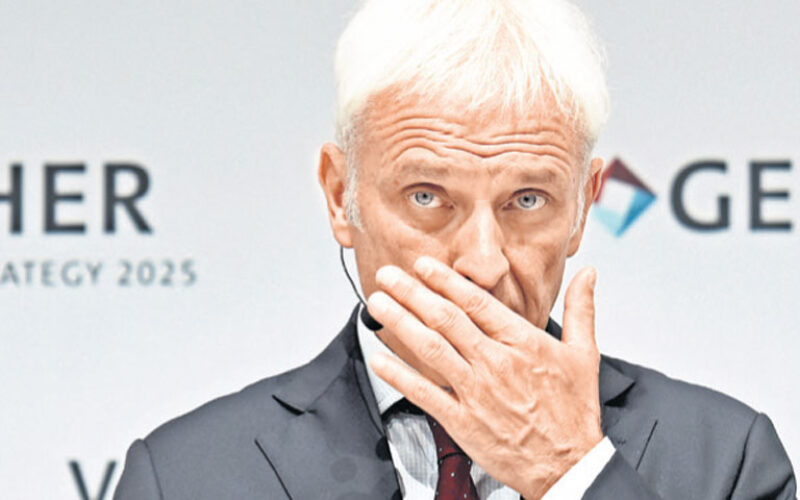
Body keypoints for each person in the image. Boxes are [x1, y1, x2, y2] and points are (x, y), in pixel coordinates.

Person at [114, 0, 796, 498]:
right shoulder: (184, 476)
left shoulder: (726, 460)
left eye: (527, 200)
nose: (482, 264)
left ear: (584, 207)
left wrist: (573, 476)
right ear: (340, 196)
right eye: (427, 197)